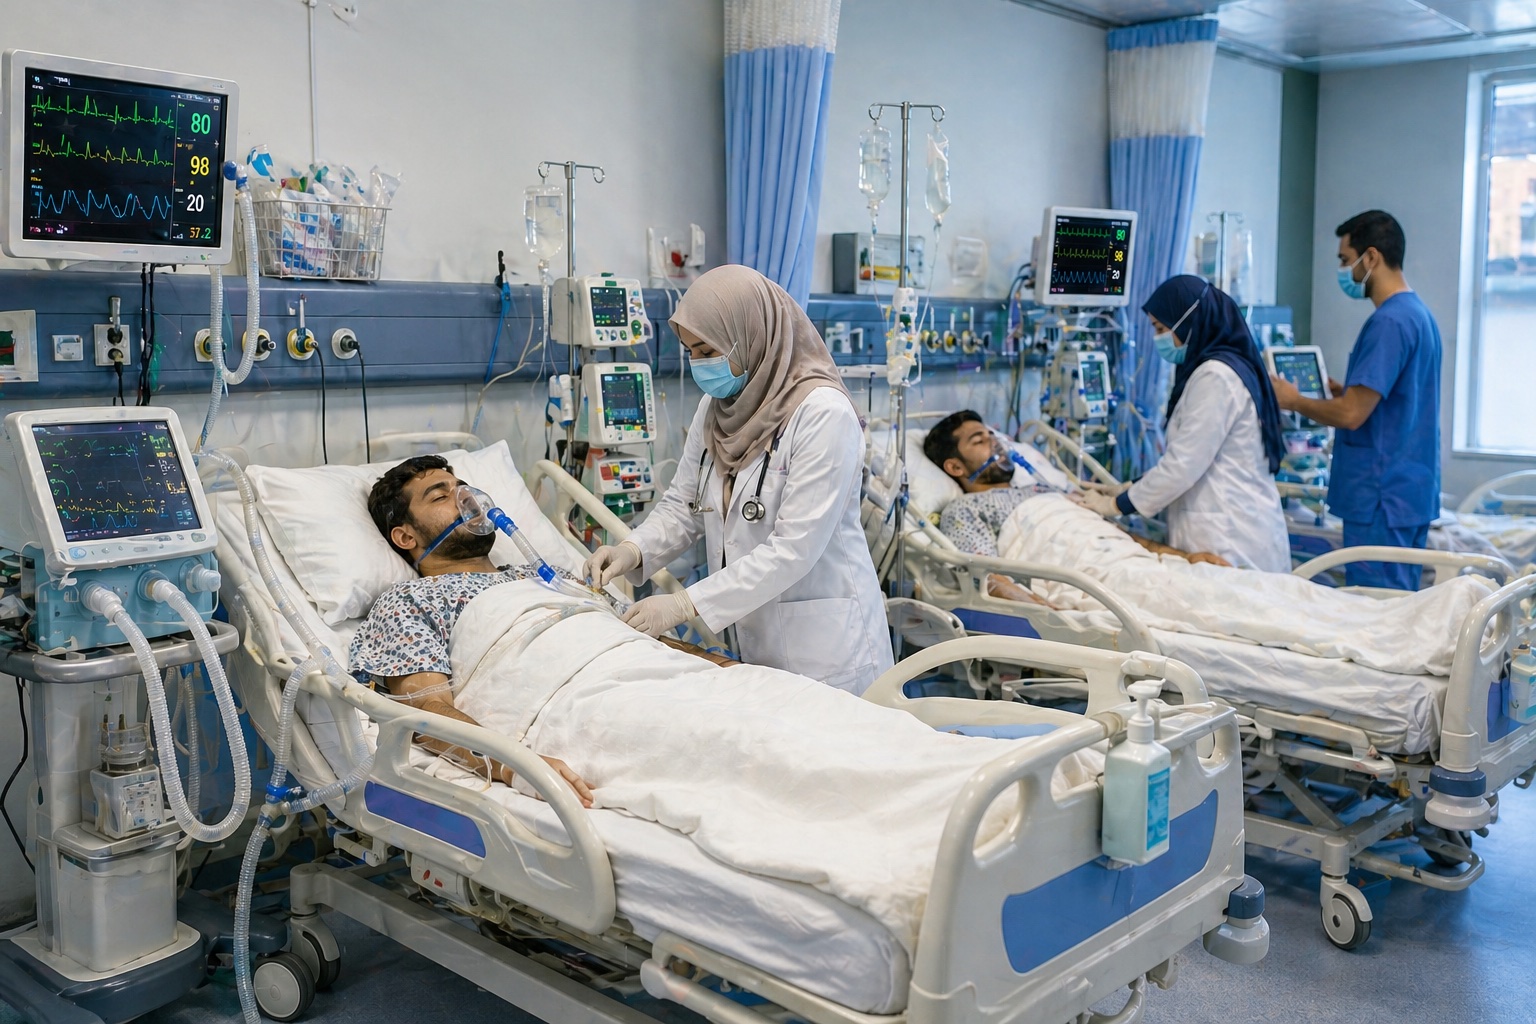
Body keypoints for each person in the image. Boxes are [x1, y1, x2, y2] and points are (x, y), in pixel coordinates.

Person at [349, 455, 729, 807]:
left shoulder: (549, 576)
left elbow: (642, 635)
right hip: (593, 709)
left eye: (462, 487)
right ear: (405, 537)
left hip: (673, 681)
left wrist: (727, 668)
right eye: (440, 496)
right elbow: (426, 712)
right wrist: (516, 764)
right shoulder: (410, 601)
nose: (466, 499)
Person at [583, 265, 892, 694]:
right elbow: (684, 505)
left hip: (826, 650)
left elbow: (794, 549)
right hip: (755, 644)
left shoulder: (824, 414)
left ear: (749, 335)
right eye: (690, 351)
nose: (699, 364)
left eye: (707, 350)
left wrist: (683, 603)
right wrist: (632, 550)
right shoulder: (717, 409)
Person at [1268, 210, 1441, 591]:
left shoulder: (1389, 322)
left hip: (1381, 497)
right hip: (1409, 491)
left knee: (1376, 610)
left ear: (1372, 257)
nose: (1344, 271)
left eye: (1346, 260)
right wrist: (1345, 390)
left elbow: (1351, 415)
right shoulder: (1418, 315)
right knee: (1398, 606)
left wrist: (1293, 400)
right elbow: (1396, 401)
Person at [1076, 276, 1290, 573]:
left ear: (1190, 323)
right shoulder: (1224, 368)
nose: (1158, 339)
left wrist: (1115, 506)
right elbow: (1193, 457)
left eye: (1161, 329)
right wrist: (1129, 489)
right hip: (1228, 525)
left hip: (1230, 536)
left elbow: (1184, 464)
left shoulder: (1216, 376)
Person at [922, 410, 1231, 591]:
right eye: (980, 440)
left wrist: (1185, 557)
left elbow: (1116, 535)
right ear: (955, 467)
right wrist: (1040, 611)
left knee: (1220, 585)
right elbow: (987, 575)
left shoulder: (1042, 489)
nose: (996, 444)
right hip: (1094, 582)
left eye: (993, 435)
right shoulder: (964, 510)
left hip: (1132, 563)